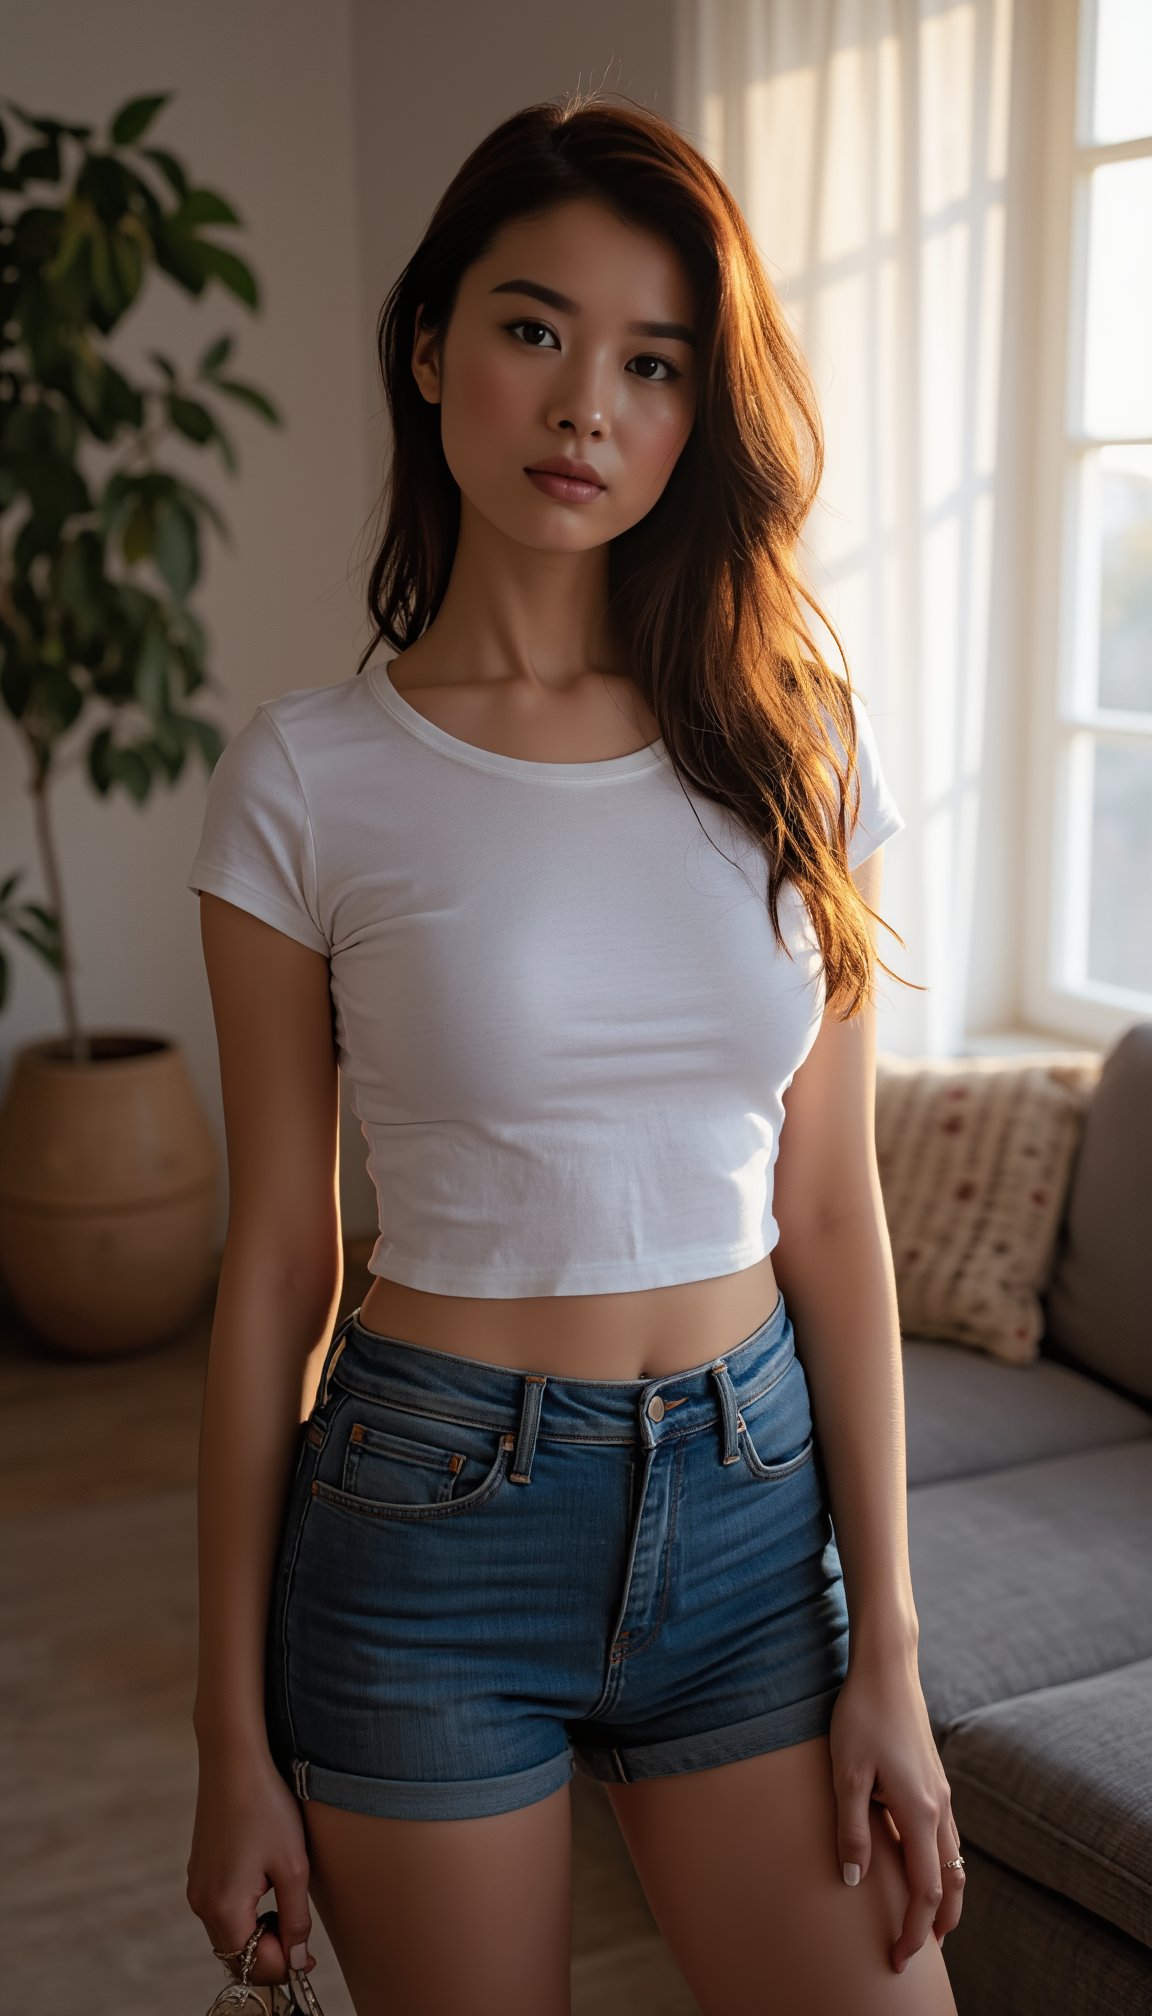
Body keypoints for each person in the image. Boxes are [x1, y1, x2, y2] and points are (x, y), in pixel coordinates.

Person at [184, 90, 964, 2016]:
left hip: (758, 1507)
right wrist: (226, 1741)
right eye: (534, 329)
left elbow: (834, 1218)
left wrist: (895, 1657)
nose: (584, 406)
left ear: (703, 408)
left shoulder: (800, 743)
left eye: (653, 362)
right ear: (432, 344)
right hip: (429, 1530)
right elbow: (281, 1262)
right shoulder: (311, 778)